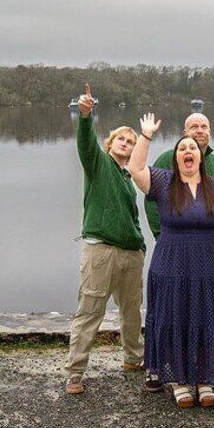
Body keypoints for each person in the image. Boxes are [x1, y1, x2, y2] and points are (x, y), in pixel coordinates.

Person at [128, 112, 214, 408]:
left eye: (192, 149)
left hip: (206, 263)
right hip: (171, 261)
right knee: (175, 317)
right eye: (182, 148)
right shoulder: (163, 181)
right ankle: (179, 380)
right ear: (176, 158)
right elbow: (135, 169)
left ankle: (203, 377)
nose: (188, 151)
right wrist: (145, 136)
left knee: (205, 316)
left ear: (200, 156)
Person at [64, 84, 147, 395]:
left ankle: (134, 358)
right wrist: (86, 117)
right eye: (121, 139)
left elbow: (133, 216)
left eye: (131, 141)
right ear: (111, 144)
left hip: (131, 253)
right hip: (101, 251)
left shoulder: (128, 178)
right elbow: (86, 145)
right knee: (90, 310)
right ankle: (75, 373)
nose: (126, 143)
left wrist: (140, 245)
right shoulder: (98, 164)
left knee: (132, 310)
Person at [145, 113, 214, 260]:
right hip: (175, 245)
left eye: (204, 127)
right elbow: (151, 202)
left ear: (209, 131)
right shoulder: (168, 160)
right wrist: (160, 235)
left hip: (212, 245)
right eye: (194, 127)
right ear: (185, 133)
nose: (200, 131)